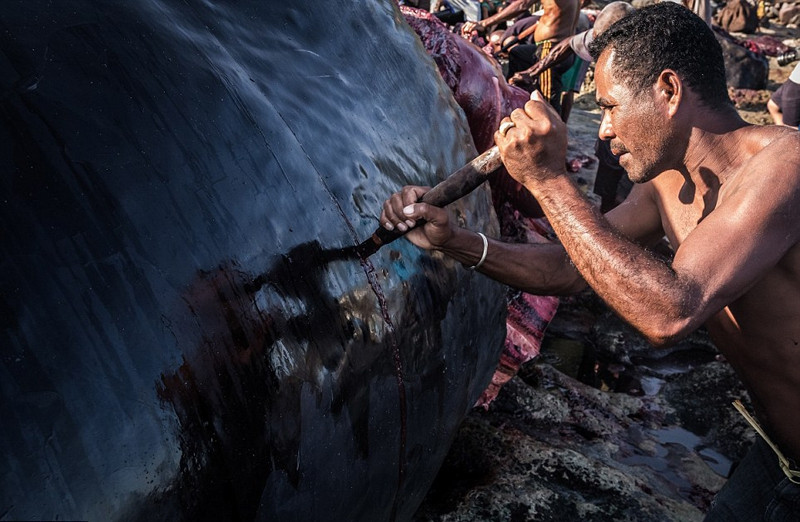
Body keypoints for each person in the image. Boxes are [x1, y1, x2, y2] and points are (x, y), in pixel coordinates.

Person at [378, 3, 800, 518]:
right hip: (776, 456)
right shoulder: (665, 185)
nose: (601, 130)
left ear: (667, 91)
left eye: (609, 107)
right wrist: (455, 241)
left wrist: (548, 180)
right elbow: (574, 266)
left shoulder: (785, 166)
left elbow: (672, 312)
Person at [767, 62, 800, 128]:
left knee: (791, 127)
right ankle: (783, 134)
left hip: (797, 85)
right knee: (773, 106)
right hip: (793, 79)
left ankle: (790, 135)